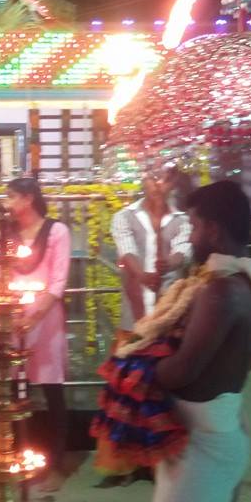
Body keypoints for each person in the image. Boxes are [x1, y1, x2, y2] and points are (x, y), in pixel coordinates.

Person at [125, 180, 251, 502]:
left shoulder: (223, 291)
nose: (190, 237)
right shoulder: (231, 282)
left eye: (193, 226)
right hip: (206, 434)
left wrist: (136, 366)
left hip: (205, 445)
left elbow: (183, 370)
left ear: (213, 229)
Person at [99, 170, 192, 484]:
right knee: (126, 391)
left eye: (164, 179)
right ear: (143, 181)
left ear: (173, 183)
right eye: (152, 178)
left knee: (164, 392)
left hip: (168, 316)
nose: (157, 184)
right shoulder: (125, 216)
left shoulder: (183, 220)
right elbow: (126, 251)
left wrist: (172, 263)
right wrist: (141, 275)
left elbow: (185, 250)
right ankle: (121, 464)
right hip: (136, 314)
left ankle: (161, 462)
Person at [3, 177, 71, 490]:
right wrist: (10, 312)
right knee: (19, 391)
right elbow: (0, 276)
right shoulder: (6, 233)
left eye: (12, 197)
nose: (8, 205)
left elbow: (57, 283)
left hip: (47, 321)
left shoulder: (57, 231)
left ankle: (56, 461)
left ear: (29, 198)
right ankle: (21, 455)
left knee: (52, 387)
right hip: (16, 319)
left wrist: (35, 317)